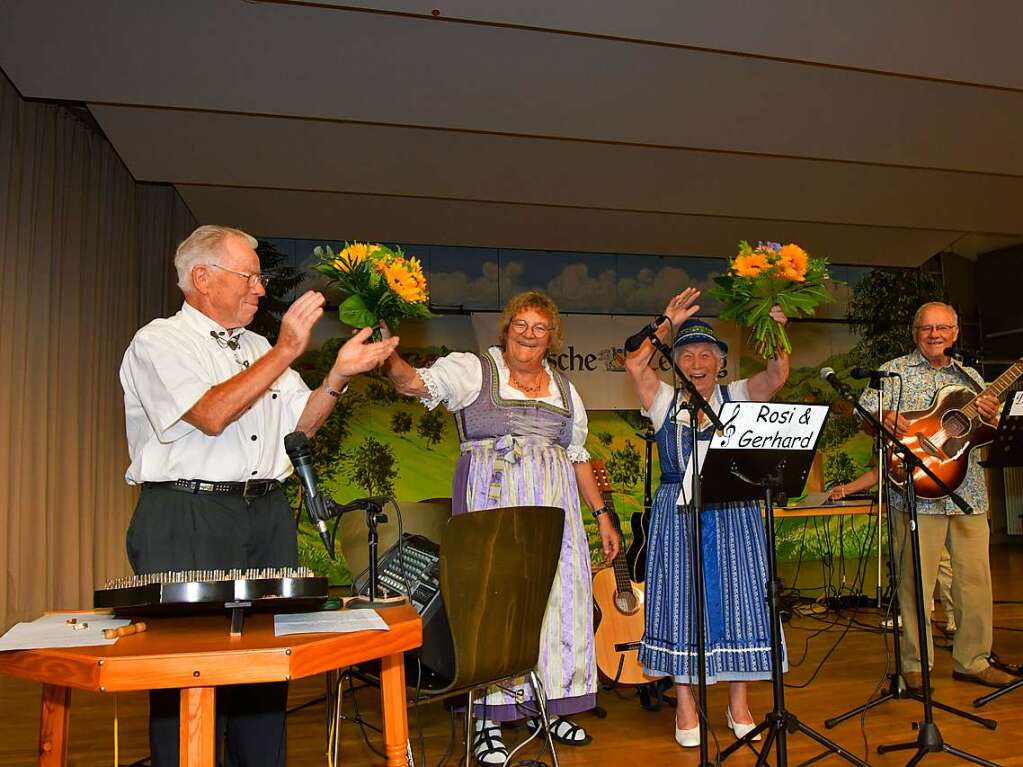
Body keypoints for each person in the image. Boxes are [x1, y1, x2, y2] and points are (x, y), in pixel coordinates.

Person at [119, 225, 398, 767]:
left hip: (265, 514)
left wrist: (337, 375)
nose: (261, 289)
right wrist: (289, 350)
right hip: (188, 515)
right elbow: (210, 414)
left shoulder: (257, 348)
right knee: (189, 672)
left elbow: (300, 428)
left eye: (259, 277)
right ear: (202, 278)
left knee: (268, 670)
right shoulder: (158, 342)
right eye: (249, 276)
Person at [381, 290, 621, 765]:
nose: (529, 334)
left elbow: (578, 458)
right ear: (506, 329)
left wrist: (602, 514)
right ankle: (487, 719)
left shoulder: (565, 388)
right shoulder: (474, 371)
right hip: (495, 498)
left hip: (556, 507)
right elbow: (415, 384)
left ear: (553, 337)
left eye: (540, 327)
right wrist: (388, 353)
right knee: (492, 601)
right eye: (521, 325)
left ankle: (547, 705)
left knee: (556, 598)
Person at [625, 287, 790, 748]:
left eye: (706, 354)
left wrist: (775, 328)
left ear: (721, 362)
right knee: (680, 605)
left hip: (735, 513)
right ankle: (685, 705)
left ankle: (739, 703)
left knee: (741, 604)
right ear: (676, 361)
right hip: (677, 516)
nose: (697, 363)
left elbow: (778, 374)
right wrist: (666, 324)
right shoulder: (663, 401)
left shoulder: (737, 394)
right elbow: (635, 363)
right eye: (687, 354)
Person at [859, 301, 1012, 691]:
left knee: (975, 580)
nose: (934, 334)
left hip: (969, 491)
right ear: (915, 332)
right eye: (927, 328)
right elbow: (863, 414)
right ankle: (915, 664)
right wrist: (879, 417)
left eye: (943, 328)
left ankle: (973, 660)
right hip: (914, 491)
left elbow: (986, 430)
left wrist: (991, 416)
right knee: (915, 581)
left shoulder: (971, 375)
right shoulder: (893, 371)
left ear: (955, 333)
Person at [829, 469, 956, 634]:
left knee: (940, 561)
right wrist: (846, 489)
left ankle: (953, 617)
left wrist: (847, 489)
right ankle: (921, 613)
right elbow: (880, 470)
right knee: (913, 562)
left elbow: (879, 471)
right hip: (906, 502)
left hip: (932, 498)